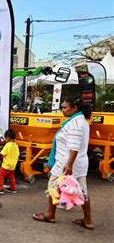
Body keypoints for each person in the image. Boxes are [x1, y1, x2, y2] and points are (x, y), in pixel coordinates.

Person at [33, 97, 93, 230]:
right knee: (82, 191)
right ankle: (88, 220)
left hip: (66, 163)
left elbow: (74, 147)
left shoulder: (75, 124)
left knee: (53, 186)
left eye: (65, 107)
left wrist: (69, 165)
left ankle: (50, 214)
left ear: (74, 108)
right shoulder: (81, 121)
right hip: (79, 163)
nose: (62, 110)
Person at [0, 129, 19, 195]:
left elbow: (1, 154)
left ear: (8, 137)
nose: (5, 140)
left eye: (5, 138)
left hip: (6, 165)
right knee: (11, 176)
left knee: (1, 175)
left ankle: (0, 189)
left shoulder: (8, 145)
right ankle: (13, 188)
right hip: (13, 165)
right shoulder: (15, 145)